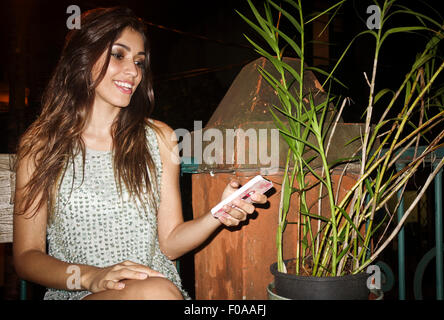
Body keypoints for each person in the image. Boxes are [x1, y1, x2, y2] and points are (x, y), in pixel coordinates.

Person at [12, 7, 267, 300]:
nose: (133, 72)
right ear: (82, 57)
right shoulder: (42, 145)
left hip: (160, 290)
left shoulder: (159, 138)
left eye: (139, 61)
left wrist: (217, 215)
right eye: (118, 55)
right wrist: (92, 277)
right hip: (82, 294)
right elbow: (27, 255)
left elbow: (170, 242)